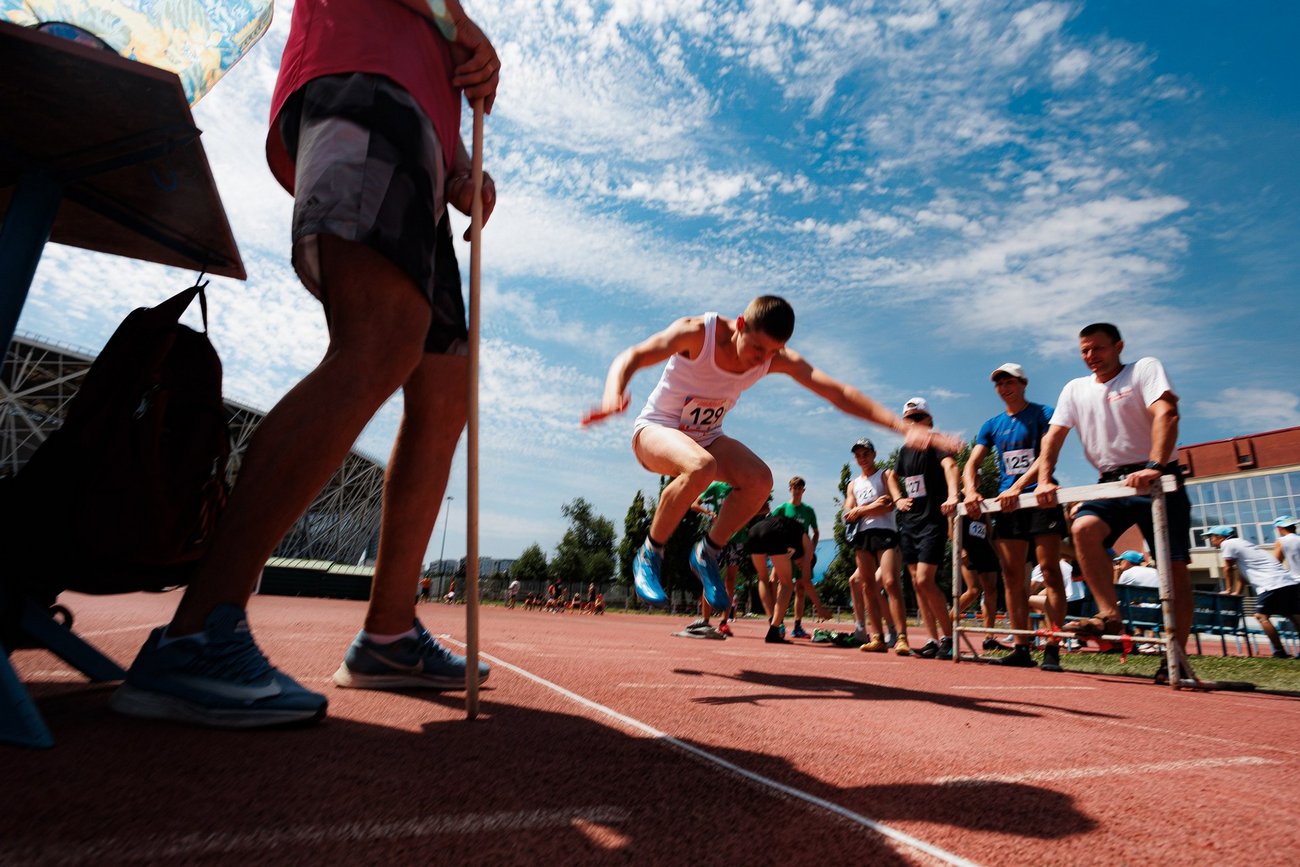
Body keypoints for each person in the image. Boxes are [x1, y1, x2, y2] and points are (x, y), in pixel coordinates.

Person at [109, 0, 500, 727]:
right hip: (365, 84)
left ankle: (387, 634)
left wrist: (462, 166)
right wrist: (461, 26)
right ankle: (198, 631)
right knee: (379, 337)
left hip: (413, 120)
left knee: (446, 385)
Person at [583, 296, 961, 618]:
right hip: (655, 432)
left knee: (760, 481)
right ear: (740, 324)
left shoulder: (773, 356)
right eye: (757, 349)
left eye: (771, 353)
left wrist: (904, 427)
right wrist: (613, 393)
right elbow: (633, 355)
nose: (760, 362)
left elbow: (839, 392)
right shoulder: (697, 333)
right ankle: (651, 552)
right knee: (702, 466)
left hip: (708, 439)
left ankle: (708, 552)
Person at [1034, 323, 1193, 684]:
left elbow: (1166, 413)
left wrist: (1155, 464)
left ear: (1118, 346)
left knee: (1173, 568)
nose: (1092, 357)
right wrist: (1045, 478)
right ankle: (1110, 615)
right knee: (1083, 529)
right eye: (1085, 351)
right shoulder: (1074, 389)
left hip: (1157, 477)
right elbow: (1053, 437)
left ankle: (1177, 656)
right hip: (1110, 482)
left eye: (1099, 349)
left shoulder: (1144, 369)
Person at [963, 362, 1068, 672]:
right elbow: (972, 463)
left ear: (1023, 383)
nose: (1004, 388)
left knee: (1049, 570)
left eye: (1010, 382)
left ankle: (1053, 645)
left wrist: (1022, 486)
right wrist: (970, 491)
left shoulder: (1043, 413)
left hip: (1040, 497)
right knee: (1011, 576)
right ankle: (1021, 646)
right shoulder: (991, 425)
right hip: (1007, 505)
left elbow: (1048, 453)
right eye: (999, 384)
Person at [887, 398, 960, 660]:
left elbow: (950, 466)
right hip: (911, 523)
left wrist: (953, 495)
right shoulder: (905, 450)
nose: (914, 424)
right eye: (909, 420)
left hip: (932, 521)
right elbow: (892, 477)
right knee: (918, 585)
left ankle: (950, 637)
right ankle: (931, 638)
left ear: (929, 420)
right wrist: (897, 499)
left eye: (918, 418)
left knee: (924, 580)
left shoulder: (935, 441)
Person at [1205, 526, 1300, 658]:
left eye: (1211, 537)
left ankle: (1279, 651)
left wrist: (1227, 589)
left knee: (1261, 616)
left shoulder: (1228, 543)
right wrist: (1237, 592)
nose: (1210, 540)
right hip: (1287, 581)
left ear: (1220, 537)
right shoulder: (1243, 544)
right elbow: (1243, 575)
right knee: (1293, 615)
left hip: (1270, 583)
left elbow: (1227, 568)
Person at [842, 438, 900, 653]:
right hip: (864, 537)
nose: (861, 458)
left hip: (886, 536)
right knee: (858, 582)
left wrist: (860, 510)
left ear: (874, 454)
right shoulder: (853, 484)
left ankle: (895, 631)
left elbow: (887, 503)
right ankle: (864, 628)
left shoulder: (884, 475)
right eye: (858, 455)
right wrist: (864, 509)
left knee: (887, 582)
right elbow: (847, 514)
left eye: (865, 454)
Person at [681, 481, 748, 638]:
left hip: (737, 539)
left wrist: (745, 517)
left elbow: (762, 507)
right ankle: (705, 620)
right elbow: (694, 504)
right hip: (718, 538)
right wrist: (709, 513)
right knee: (709, 576)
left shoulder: (742, 486)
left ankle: (724, 621)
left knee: (730, 580)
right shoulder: (716, 488)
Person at [772, 476, 830, 638]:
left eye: (800, 488)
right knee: (782, 586)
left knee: (801, 588)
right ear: (790, 489)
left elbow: (816, 532)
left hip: (802, 555)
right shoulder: (782, 509)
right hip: (785, 554)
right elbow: (770, 526)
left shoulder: (809, 511)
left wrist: (810, 551)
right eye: (794, 488)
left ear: (803, 491)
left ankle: (797, 625)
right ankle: (779, 623)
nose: (797, 491)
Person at [745, 511, 810, 643]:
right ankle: (774, 629)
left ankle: (772, 621)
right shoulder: (805, 542)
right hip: (773, 531)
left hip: (755, 530)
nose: (799, 566)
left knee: (762, 577)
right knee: (787, 584)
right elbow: (806, 572)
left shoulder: (792, 537)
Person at [956, 514, 1000, 651]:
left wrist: (998, 554)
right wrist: (961, 549)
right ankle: (947, 622)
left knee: (991, 591)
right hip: (967, 548)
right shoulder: (958, 497)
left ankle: (989, 638)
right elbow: (951, 527)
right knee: (973, 590)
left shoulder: (983, 506)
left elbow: (989, 530)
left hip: (984, 548)